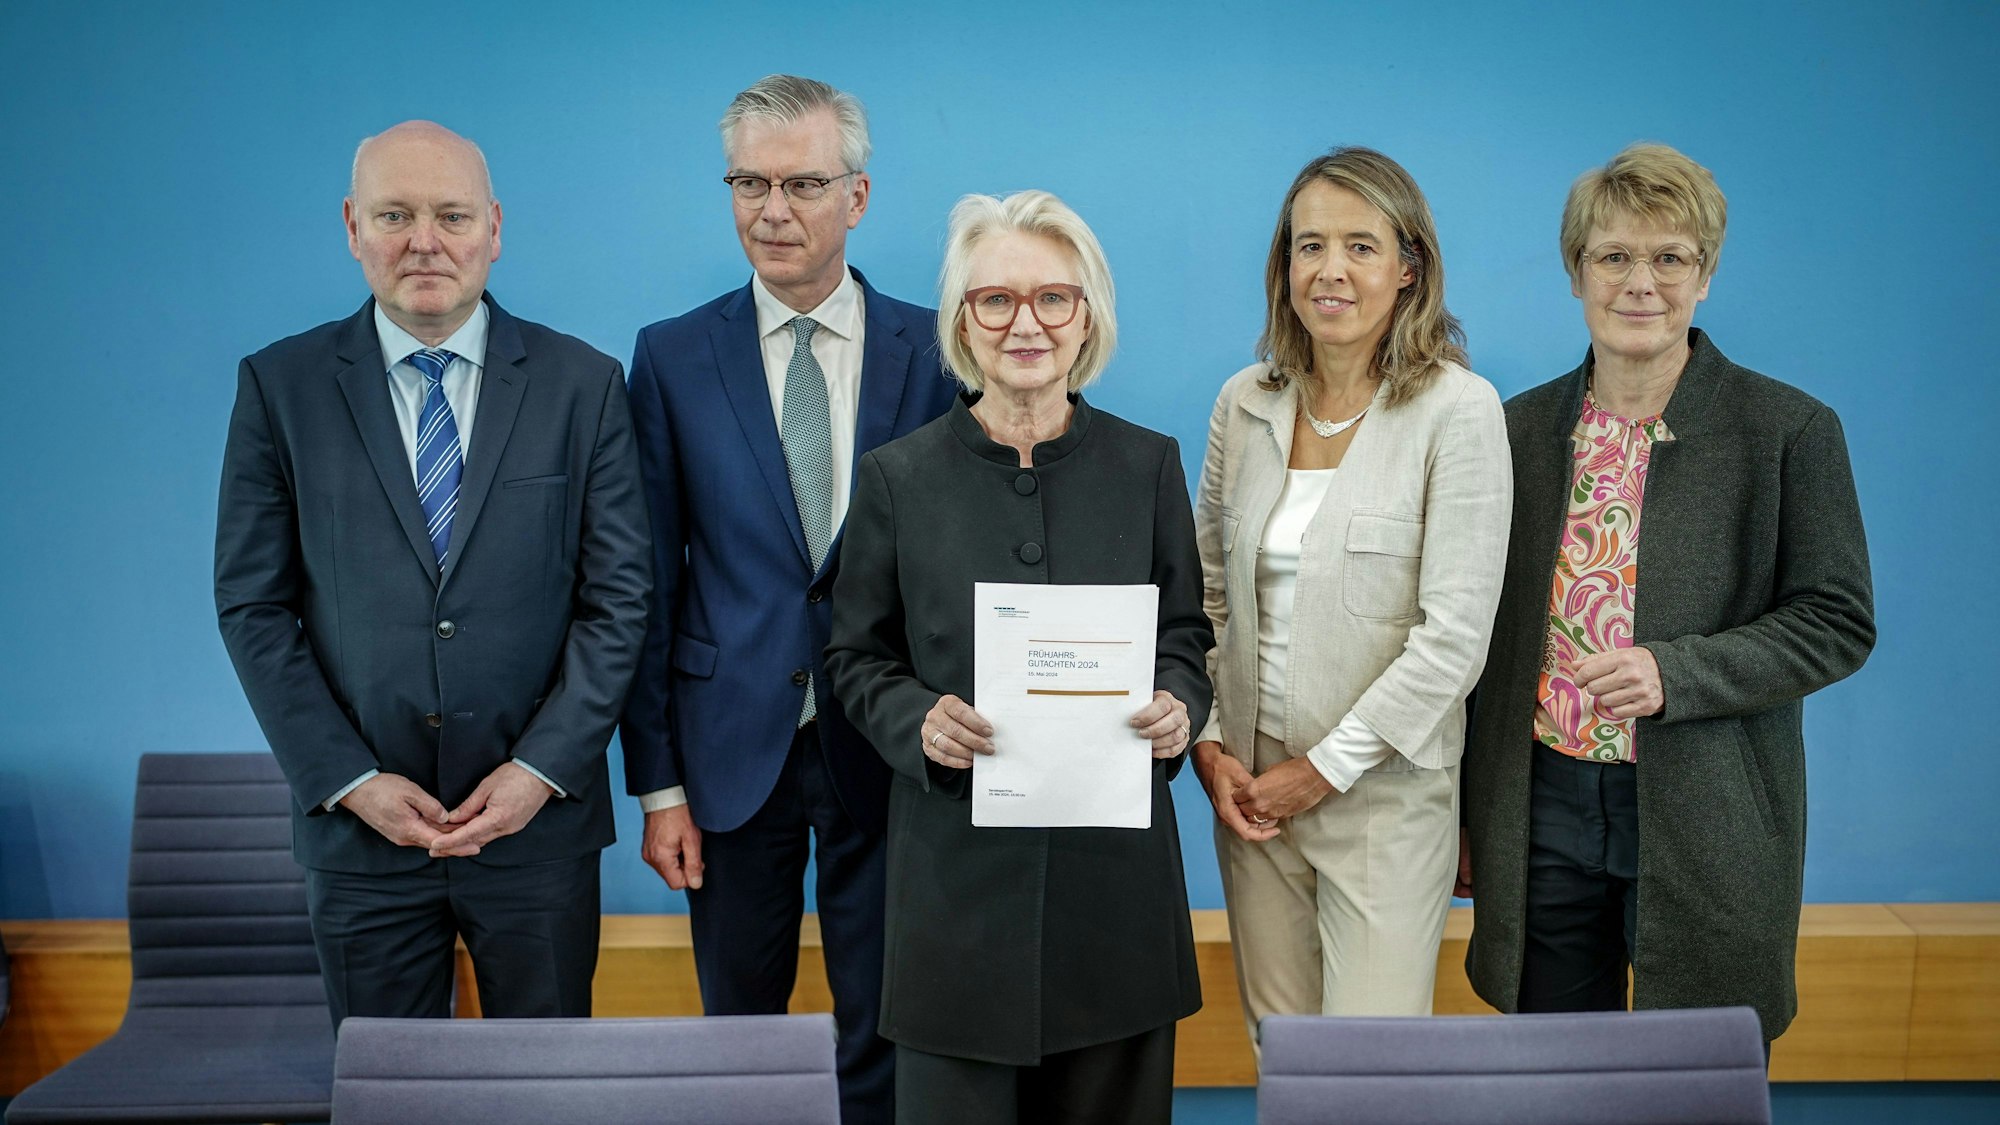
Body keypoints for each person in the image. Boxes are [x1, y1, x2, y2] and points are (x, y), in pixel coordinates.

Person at [215, 120, 651, 1022]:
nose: (425, 240)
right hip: (360, 832)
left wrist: (542, 767)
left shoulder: (584, 383)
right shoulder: (280, 387)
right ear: (352, 226)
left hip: (538, 828)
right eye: (395, 214)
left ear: (494, 227)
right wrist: (348, 779)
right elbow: (253, 605)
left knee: (545, 1095)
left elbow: (618, 601)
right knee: (386, 1095)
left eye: (451, 215)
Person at [1461, 143, 1875, 1045]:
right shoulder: (1517, 430)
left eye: (1670, 258)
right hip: (1542, 804)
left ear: (1706, 275)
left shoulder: (1789, 430)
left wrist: (1674, 671)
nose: (1640, 282)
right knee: (1555, 1077)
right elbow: (1475, 633)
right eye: (1613, 256)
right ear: (1577, 273)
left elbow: (1837, 620)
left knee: (1695, 1076)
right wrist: (1468, 810)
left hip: (1709, 804)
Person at [824, 190, 1211, 1125]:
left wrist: (1178, 703)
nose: (1024, 323)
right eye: (995, 299)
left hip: (1114, 902)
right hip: (954, 903)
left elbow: (1188, 638)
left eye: (1053, 298)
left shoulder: (1148, 465)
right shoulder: (897, 477)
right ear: (963, 321)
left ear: (1089, 317)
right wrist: (916, 719)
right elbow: (854, 657)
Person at [617, 75, 954, 1123]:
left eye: (802, 182)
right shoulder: (670, 357)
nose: (773, 209)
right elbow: (648, 580)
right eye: (750, 182)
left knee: (885, 1027)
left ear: (856, 197)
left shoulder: (937, 348)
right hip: (727, 751)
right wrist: (658, 784)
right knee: (743, 1037)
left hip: (888, 744)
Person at [1191, 147, 1511, 1033]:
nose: (1330, 270)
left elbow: (1453, 639)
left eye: (1361, 246)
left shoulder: (1459, 410)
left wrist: (1321, 772)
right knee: (1281, 1051)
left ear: (1409, 269)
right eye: (1310, 245)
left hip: (1383, 801)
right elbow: (1206, 599)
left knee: (1371, 1077)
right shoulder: (1243, 403)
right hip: (1251, 795)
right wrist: (1210, 746)